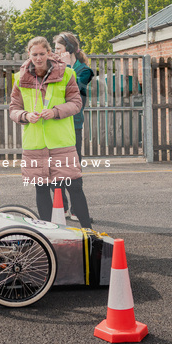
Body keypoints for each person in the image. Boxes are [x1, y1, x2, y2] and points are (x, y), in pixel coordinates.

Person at [9, 36, 93, 229]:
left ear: (48, 53)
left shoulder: (67, 73)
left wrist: (55, 111)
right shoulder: (19, 78)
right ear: (28, 54)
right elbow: (13, 108)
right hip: (35, 143)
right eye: (34, 54)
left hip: (61, 142)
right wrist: (25, 115)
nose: (38, 58)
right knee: (41, 189)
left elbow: (76, 103)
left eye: (42, 53)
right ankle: (47, 233)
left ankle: (88, 231)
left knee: (75, 187)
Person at [53, 32, 94, 220]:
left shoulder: (84, 70)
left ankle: (77, 210)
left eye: (58, 49)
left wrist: (68, 68)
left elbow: (78, 93)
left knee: (73, 169)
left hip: (73, 126)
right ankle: (61, 207)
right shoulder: (55, 68)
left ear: (69, 51)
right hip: (55, 125)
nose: (55, 53)